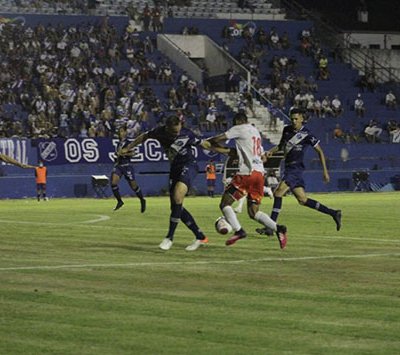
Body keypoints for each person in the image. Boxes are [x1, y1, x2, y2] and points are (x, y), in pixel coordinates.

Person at [123, 115, 210, 251]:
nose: (177, 133)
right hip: (174, 169)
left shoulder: (187, 133)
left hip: (189, 165)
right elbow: (143, 137)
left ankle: (169, 237)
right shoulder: (159, 132)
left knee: (177, 196)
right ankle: (200, 236)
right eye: (174, 132)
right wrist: (129, 147)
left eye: (178, 130)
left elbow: (204, 144)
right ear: (167, 128)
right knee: (176, 207)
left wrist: (222, 149)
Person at [207, 112, 288, 249]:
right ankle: (278, 228)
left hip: (247, 173)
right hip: (259, 175)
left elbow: (219, 138)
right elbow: (261, 156)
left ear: (238, 121)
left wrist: (208, 142)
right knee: (253, 212)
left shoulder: (240, 128)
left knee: (225, 203)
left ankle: (239, 231)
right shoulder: (255, 132)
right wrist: (215, 148)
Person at [256, 108, 341, 236]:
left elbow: (320, 152)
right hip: (289, 168)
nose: (294, 121)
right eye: (292, 119)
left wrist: (325, 171)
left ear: (302, 119)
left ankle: (271, 227)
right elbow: (281, 146)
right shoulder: (287, 130)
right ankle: (334, 213)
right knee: (303, 200)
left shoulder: (307, 134)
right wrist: (270, 152)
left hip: (296, 169)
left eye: (296, 119)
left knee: (278, 193)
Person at [111, 125, 146, 213]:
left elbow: (134, 153)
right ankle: (119, 201)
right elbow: (118, 154)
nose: (121, 133)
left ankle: (142, 200)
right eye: (119, 132)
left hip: (127, 166)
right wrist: (117, 157)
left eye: (122, 131)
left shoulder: (128, 143)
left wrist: (125, 153)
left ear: (126, 132)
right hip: (119, 165)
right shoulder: (118, 144)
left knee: (133, 186)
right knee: (113, 183)